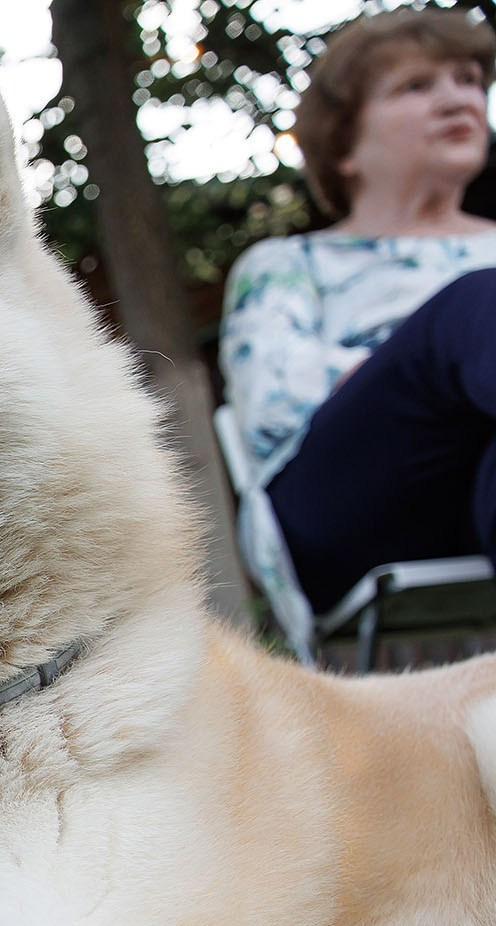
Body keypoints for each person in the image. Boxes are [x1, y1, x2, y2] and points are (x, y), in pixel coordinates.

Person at [220, 7, 496, 612]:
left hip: (477, 493)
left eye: (470, 80)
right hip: (345, 510)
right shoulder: (287, 265)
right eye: (416, 86)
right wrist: (416, 365)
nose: (460, 101)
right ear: (345, 146)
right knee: (477, 301)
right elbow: (272, 407)